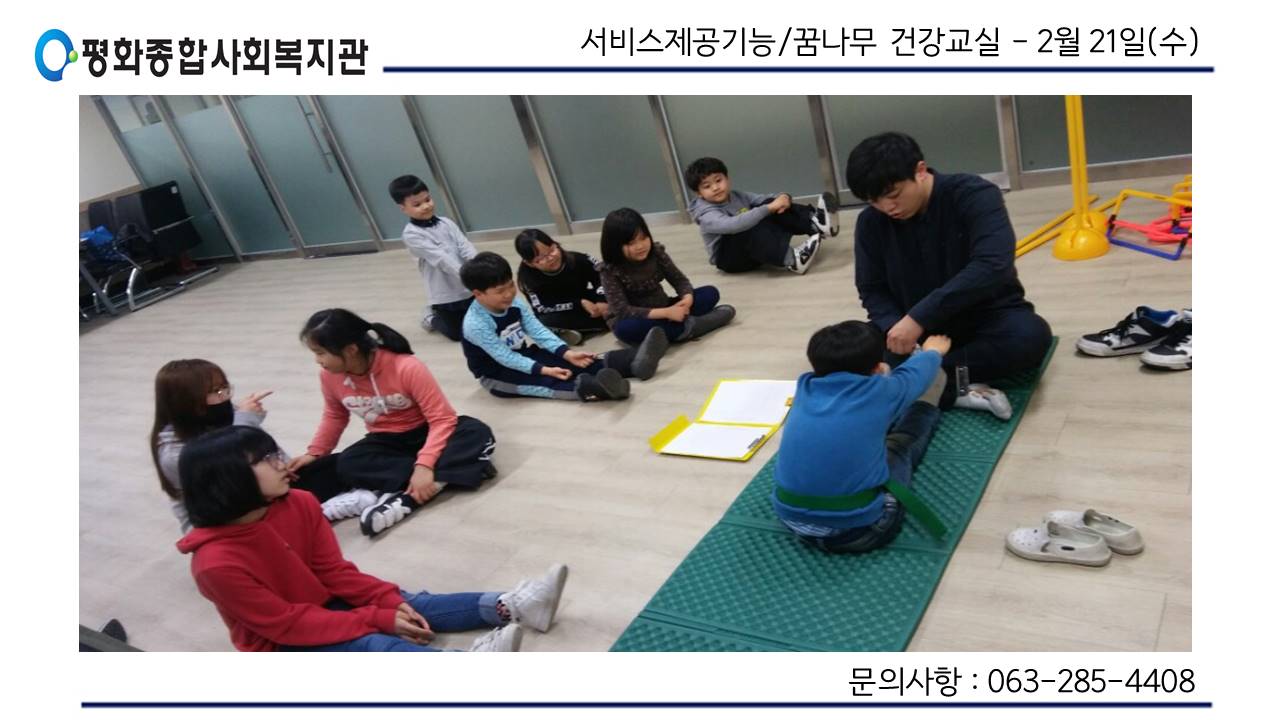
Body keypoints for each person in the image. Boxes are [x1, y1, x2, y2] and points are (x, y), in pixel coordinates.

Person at [176, 425, 570, 652]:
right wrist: (375, 619)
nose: (282, 462)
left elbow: (333, 571)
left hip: (323, 602)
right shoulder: (215, 564)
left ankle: (512, 606)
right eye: (266, 459)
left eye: (275, 453)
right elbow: (286, 625)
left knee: (409, 602)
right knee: (372, 643)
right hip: (283, 643)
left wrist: (386, 601)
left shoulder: (300, 502)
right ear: (228, 479)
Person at [847, 132, 1053, 420]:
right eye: (874, 201)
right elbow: (871, 288)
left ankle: (917, 380)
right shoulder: (871, 222)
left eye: (893, 195)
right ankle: (952, 385)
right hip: (914, 333)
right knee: (844, 350)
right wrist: (895, 326)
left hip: (984, 317)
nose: (887, 207)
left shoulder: (973, 194)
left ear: (920, 171)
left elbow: (993, 265)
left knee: (1030, 337)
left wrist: (918, 318)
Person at [289, 309, 497, 537]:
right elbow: (335, 415)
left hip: (426, 431)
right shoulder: (329, 376)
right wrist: (315, 452)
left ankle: (403, 495)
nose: (318, 361)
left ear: (350, 350)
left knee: (476, 432)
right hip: (385, 441)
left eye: (321, 353)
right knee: (346, 463)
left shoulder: (406, 366)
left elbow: (442, 419)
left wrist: (424, 465)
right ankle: (453, 473)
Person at [772, 321, 951, 553]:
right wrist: (933, 351)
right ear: (877, 367)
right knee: (899, 445)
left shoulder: (805, 387)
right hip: (857, 531)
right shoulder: (883, 391)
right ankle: (928, 411)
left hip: (790, 519)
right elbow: (917, 374)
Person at [460, 251, 669, 401]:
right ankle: (598, 388)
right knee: (548, 381)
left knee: (576, 361)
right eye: (500, 291)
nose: (508, 294)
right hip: (497, 374)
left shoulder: (513, 303)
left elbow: (537, 330)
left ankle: (634, 361)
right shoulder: (476, 324)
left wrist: (566, 353)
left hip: (525, 355)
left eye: (510, 286)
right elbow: (505, 357)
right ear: (478, 294)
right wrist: (544, 370)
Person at [150, 359, 274, 534]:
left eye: (225, 387)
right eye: (215, 391)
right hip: (219, 527)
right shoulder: (175, 453)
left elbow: (271, 458)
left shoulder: (218, 417)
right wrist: (245, 424)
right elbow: (235, 476)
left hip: (254, 508)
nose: (225, 396)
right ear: (186, 402)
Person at [597, 207, 735, 345]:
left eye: (643, 238)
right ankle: (692, 326)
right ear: (614, 245)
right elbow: (622, 310)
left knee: (710, 293)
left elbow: (679, 280)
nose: (640, 246)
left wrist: (687, 299)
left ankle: (676, 330)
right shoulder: (609, 270)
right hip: (638, 318)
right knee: (625, 329)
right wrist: (666, 313)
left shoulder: (656, 253)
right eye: (631, 243)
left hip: (665, 306)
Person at [685, 156, 837, 274]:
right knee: (746, 224)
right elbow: (731, 225)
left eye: (718, 180)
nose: (715, 187)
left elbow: (766, 199)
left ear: (727, 178)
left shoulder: (737, 195)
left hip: (753, 251)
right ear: (699, 193)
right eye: (707, 186)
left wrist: (784, 197)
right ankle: (794, 260)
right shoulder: (705, 213)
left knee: (768, 204)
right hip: (730, 259)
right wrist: (769, 207)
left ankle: (815, 224)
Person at [389, 174, 477, 341]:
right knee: (457, 334)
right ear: (403, 208)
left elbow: (464, 245)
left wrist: (479, 265)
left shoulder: (446, 222)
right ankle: (430, 316)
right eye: (417, 204)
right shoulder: (411, 234)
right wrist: (469, 275)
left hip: (468, 284)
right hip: (444, 291)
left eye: (428, 200)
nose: (426, 206)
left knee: (480, 323)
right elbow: (442, 259)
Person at [514, 228, 610, 345]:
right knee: (543, 321)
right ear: (529, 263)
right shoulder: (527, 279)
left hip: (585, 297)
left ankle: (581, 328)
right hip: (561, 309)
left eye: (552, 250)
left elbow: (603, 275)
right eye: (541, 258)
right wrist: (579, 304)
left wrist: (601, 299)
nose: (550, 258)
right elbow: (542, 307)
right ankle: (606, 321)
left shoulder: (576, 259)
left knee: (617, 293)